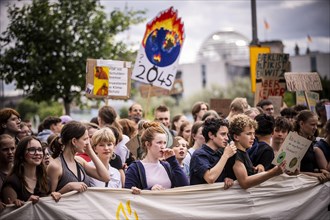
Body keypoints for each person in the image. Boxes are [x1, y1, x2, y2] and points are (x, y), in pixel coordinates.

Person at [47, 121, 110, 194]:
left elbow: (105, 177)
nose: (88, 143)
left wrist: (90, 152)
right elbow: (48, 199)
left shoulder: (80, 161)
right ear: (74, 141)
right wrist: (69, 187)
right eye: (85, 139)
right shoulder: (55, 166)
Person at [125, 121, 188, 192]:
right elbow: (128, 195)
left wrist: (173, 161)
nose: (163, 146)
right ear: (148, 144)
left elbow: (184, 186)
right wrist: (150, 190)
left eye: (164, 143)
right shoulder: (134, 168)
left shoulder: (167, 166)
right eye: (159, 142)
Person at [229, 114, 286, 189]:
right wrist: (273, 172)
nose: (253, 137)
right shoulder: (236, 154)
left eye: (253, 133)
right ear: (236, 137)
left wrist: (257, 168)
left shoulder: (243, 152)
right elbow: (244, 182)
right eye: (248, 134)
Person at [1, 136, 60, 207]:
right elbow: (9, 215)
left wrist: (52, 196)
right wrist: (27, 204)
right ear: (21, 154)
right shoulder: (12, 182)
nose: (37, 153)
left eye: (40, 150)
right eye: (32, 150)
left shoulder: (46, 180)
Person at [190, 118, 236, 188]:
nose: (227, 138)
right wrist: (225, 155)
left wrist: (226, 179)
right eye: (223, 134)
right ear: (211, 135)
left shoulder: (220, 153)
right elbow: (210, 178)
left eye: (227, 134)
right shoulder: (199, 154)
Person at [294, 110, 329, 182]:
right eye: (312, 124)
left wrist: (320, 171)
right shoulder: (293, 142)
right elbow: (291, 173)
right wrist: (315, 175)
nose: (315, 128)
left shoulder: (311, 142)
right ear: (301, 123)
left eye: (316, 125)